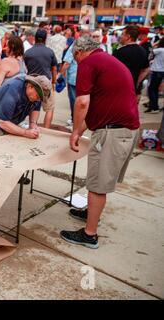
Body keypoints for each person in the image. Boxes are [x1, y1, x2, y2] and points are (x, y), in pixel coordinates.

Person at [61, 36, 140, 249]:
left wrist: (74, 132)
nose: (76, 63)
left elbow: (82, 102)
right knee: (98, 181)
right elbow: (96, 107)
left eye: (74, 58)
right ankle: (91, 214)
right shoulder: (107, 61)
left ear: (79, 53)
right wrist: (78, 132)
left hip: (112, 133)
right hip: (123, 130)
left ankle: (89, 234)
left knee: (97, 185)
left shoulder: (88, 63)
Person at [0, 74, 51, 138]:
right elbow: (3, 123)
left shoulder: (36, 96)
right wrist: (25, 133)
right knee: (0, 143)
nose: (38, 100)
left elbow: (36, 107)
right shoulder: (13, 91)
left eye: (40, 99)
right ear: (30, 86)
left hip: (9, 119)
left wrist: (33, 124)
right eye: (37, 96)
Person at [24, 28, 58, 128]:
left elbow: (25, 68)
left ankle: (32, 127)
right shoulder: (50, 52)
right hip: (45, 83)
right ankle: (46, 130)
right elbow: (54, 69)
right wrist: (54, 82)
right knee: (49, 109)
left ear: (35, 38)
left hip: (31, 83)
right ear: (45, 39)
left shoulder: (28, 52)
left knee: (32, 107)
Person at [113, 25, 149, 100]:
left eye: (122, 34)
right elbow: (146, 69)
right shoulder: (143, 51)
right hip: (133, 89)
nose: (121, 36)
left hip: (119, 89)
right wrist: (137, 82)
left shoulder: (119, 52)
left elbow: (111, 71)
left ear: (128, 36)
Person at [60, 42, 78, 126]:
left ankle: (75, 120)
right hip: (86, 77)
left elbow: (67, 62)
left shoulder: (75, 44)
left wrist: (61, 74)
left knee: (73, 100)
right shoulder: (91, 45)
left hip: (74, 78)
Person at [146, 37, 164, 113]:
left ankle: (154, 107)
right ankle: (154, 106)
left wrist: (155, 44)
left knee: (151, 89)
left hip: (156, 71)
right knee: (155, 89)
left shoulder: (159, 50)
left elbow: (150, 50)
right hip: (161, 71)